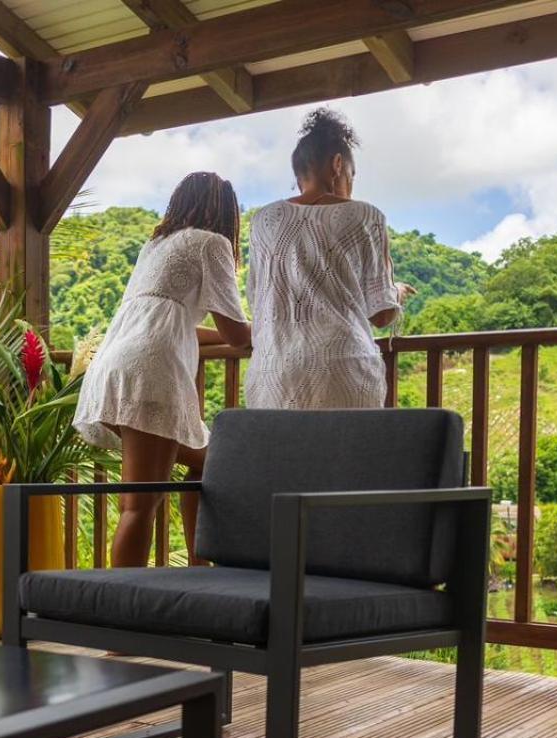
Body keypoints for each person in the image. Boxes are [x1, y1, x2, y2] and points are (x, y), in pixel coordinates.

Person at [74, 172, 251, 567]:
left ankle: (199, 569)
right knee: (139, 505)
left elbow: (172, 321)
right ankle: (123, 610)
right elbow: (236, 333)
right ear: (226, 214)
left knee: (209, 463)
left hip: (115, 365)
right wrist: (276, 333)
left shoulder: (156, 245)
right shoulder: (213, 243)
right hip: (150, 373)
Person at [245, 108, 415, 409]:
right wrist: (398, 291)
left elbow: (259, 302)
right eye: (352, 175)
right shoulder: (365, 216)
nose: (351, 183)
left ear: (299, 174)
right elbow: (381, 315)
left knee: (280, 456)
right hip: (344, 371)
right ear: (338, 165)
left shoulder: (263, 220)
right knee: (346, 456)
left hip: (272, 375)